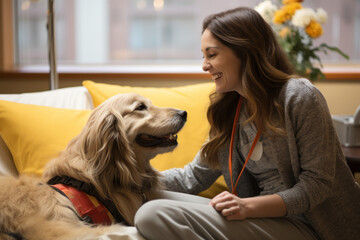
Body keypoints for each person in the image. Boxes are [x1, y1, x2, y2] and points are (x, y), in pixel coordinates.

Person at [134, 7, 360, 240]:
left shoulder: (299, 96)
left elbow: (317, 185)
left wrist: (247, 207)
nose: (204, 65)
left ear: (245, 51)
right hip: (262, 220)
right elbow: (193, 177)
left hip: (310, 224)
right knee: (146, 198)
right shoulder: (231, 109)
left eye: (212, 55)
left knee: (151, 215)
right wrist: (129, 178)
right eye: (203, 56)